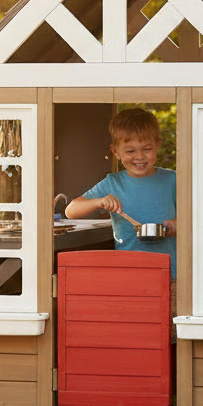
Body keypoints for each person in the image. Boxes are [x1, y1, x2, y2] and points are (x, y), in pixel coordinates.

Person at [65, 107, 177, 279]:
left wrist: (180, 224)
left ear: (157, 145)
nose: (139, 157)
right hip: (128, 274)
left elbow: (198, 217)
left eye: (146, 149)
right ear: (116, 152)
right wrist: (99, 202)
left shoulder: (173, 180)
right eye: (130, 151)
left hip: (171, 274)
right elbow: (71, 211)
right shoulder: (112, 183)